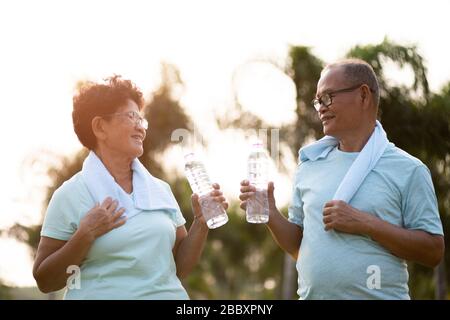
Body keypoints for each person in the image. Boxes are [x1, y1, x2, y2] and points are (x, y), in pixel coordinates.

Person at [239, 59, 444, 299]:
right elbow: (300, 247)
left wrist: (366, 224)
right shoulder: (310, 165)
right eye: (318, 101)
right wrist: (271, 213)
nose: (321, 108)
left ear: (363, 95)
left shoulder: (408, 169)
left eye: (328, 97)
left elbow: (433, 250)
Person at [33, 75, 228, 299]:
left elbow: (180, 267)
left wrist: (200, 223)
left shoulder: (160, 189)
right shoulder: (70, 194)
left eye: (141, 119)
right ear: (99, 127)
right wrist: (85, 235)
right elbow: (45, 280)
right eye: (131, 116)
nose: (141, 128)